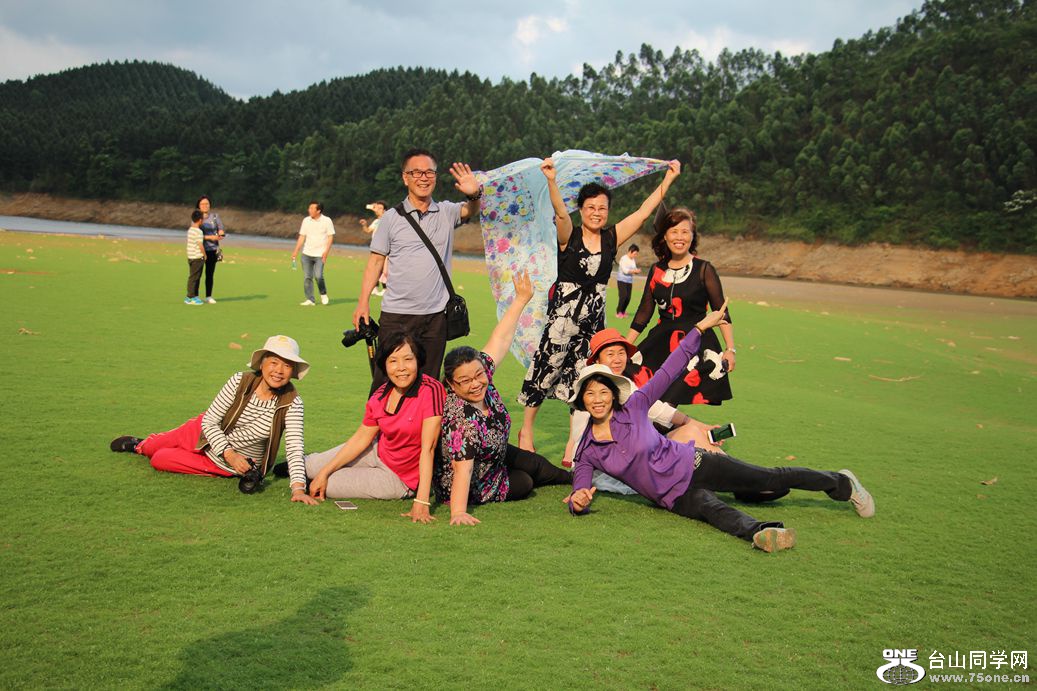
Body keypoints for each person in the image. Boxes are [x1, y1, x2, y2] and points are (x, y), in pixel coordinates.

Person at [566, 302, 875, 552]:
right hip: (672, 497)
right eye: (590, 394)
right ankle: (764, 533)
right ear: (582, 400)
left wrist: (700, 328)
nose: (597, 399)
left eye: (603, 392)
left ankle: (841, 483)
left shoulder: (634, 406)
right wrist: (579, 503)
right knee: (713, 511)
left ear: (613, 394)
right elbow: (580, 488)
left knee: (769, 477)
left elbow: (669, 370)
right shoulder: (588, 450)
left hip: (696, 465)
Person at [516, 157, 681, 451]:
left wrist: (668, 179)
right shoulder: (569, 236)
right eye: (591, 207)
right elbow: (560, 213)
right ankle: (525, 430)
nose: (597, 213)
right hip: (562, 320)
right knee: (545, 369)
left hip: (593, 323)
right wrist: (552, 181)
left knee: (586, 377)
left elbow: (643, 212)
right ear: (581, 210)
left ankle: (574, 442)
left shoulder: (611, 238)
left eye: (602, 208)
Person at [109, 335, 317, 505]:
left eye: (287, 365)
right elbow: (209, 421)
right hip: (207, 432)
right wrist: (230, 454)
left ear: (293, 371)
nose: (279, 371)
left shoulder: (293, 403)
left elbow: (294, 447)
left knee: (160, 459)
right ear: (262, 364)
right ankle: (139, 445)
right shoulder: (240, 381)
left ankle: (157, 448)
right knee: (153, 447)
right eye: (274, 362)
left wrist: (298, 489)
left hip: (222, 463)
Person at [434, 271, 572, 526]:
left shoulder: (481, 371)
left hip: (494, 451)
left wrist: (521, 299)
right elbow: (463, 470)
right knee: (525, 481)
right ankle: (523, 476)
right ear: (451, 384)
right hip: (475, 480)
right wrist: (458, 512)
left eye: (478, 375)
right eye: (465, 381)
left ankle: (577, 479)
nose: (476, 383)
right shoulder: (460, 421)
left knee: (535, 463)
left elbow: (500, 339)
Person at [352, 149, 482, 386]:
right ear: (405, 177)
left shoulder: (446, 212)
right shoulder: (390, 218)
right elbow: (375, 261)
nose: (424, 177)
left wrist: (474, 194)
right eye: (417, 172)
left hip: (435, 316)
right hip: (396, 314)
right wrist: (363, 302)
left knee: (427, 385)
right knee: (386, 384)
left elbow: (470, 210)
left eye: (429, 172)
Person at [561, 327, 729, 494]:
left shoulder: (617, 385)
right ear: (597, 360)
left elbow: (660, 411)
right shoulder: (596, 392)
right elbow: (660, 412)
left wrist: (702, 427)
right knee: (683, 439)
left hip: (628, 456)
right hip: (609, 467)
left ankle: (729, 468)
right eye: (610, 354)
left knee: (688, 432)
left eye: (621, 353)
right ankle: (729, 471)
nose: (617, 359)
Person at [305, 333, 444, 523]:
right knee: (311, 467)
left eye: (408, 359)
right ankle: (292, 471)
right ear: (384, 365)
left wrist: (421, 501)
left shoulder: (431, 390)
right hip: (376, 451)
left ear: (418, 361)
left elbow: (429, 448)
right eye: (393, 361)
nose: (401, 367)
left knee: (328, 484)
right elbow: (362, 438)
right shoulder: (380, 395)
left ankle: (310, 479)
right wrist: (324, 471)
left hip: (398, 478)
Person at [627, 206, 735, 406]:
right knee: (646, 395)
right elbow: (644, 312)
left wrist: (730, 349)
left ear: (692, 237)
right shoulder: (656, 270)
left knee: (668, 402)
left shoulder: (704, 269)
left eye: (685, 232)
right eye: (674, 231)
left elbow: (722, 313)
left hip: (696, 342)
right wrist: (625, 346)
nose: (679, 237)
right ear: (665, 236)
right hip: (661, 343)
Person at [290, 200, 335, 306]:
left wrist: (326, 252)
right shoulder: (306, 220)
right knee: (307, 277)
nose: (309, 210)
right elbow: (302, 236)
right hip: (306, 254)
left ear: (318, 211)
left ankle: (323, 293)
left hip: (320, 254)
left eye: (311, 208)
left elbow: (330, 237)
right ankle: (310, 299)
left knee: (318, 276)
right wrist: (295, 251)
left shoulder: (327, 220)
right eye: (309, 208)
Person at [196, 195, 225, 304]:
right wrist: (211, 237)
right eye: (202, 204)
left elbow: (221, 228)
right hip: (199, 249)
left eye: (207, 204)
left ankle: (208, 296)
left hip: (212, 249)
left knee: (210, 274)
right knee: (197, 274)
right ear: (199, 205)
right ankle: (194, 296)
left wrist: (221, 233)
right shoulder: (196, 217)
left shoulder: (215, 217)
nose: (205, 206)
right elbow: (195, 235)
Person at [359, 201, 388, 296]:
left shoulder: (387, 220)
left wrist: (373, 207)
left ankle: (385, 289)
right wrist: (364, 224)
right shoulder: (376, 221)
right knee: (375, 269)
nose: (377, 210)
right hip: (375, 247)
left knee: (383, 269)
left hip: (384, 247)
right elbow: (368, 230)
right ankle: (375, 288)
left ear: (385, 211)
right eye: (377, 208)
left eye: (380, 208)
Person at [184, 210, 205, 305]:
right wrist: (205, 255)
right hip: (197, 257)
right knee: (194, 277)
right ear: (200, 220)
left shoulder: (190, 230)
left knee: (195, 277)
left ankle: (194, 295)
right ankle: (190, 297)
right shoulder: (199, 232)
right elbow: (200, 245)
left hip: (191, 256)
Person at [615, 244, 640, 318]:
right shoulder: (623, 259)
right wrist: (634, 271)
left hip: (629, 281)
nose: (635, 255)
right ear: (630, 251)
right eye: (635, 254)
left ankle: (623, 312)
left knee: (628, 298)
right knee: (623, 296)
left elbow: (634, 268)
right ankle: (618, 312)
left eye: (636, 254)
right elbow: (625, 271)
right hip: (621, 280)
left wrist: (637, 271)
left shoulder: (633, 260)